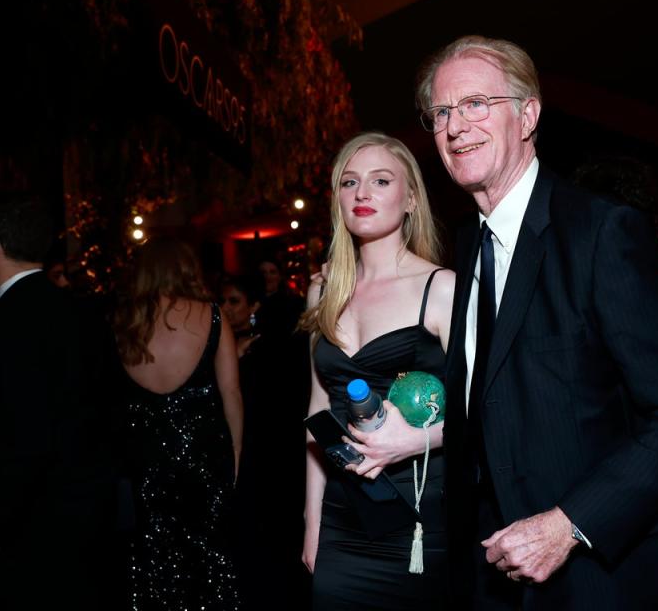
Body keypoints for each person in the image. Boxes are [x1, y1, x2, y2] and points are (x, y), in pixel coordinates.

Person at [415, 35, 658, 610]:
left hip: (596, 576)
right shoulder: (466, 245)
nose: (456, 126)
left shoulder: (601, 232)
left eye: (477, 103)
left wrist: (569, 525)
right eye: (441, 112)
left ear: (527, 114)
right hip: (491, 573)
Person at [300, 132, 455, 609]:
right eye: (349, 182)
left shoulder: (442, 288)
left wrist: (417, 439)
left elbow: (490, 410)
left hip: (420, 515)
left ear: (410, 199)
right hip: (342, 519)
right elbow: (319, 407)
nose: (362, 193)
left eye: (380, 180)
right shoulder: (321, 292)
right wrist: (311, 521)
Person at [0, 195, 116, 610]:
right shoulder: (84, 312)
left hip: (32, 522)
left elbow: (22, 434)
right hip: (92, 509)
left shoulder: (4, 323)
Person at [113, 237, 243, 610]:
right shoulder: (211, 315)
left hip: (146, 458)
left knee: (154, 558)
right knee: (211, 560)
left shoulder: (124, 322)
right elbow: (231, 394)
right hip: (205, 455)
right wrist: (235, 454)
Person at [221, 273, 311, 609]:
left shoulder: (270, 346)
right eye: (224, 301)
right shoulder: (229, 343)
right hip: (251, 455)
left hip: (273, 455)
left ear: (254, 306)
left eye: (235, 301)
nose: (227, 308)